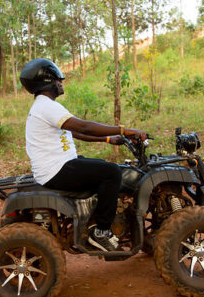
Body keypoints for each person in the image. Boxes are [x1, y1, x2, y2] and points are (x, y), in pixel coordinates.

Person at [20, 58, 146, 252]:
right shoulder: (47, 107)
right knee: (112, 172)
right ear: (47, 82)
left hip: (60, 165)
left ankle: (96, 219)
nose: (61, 83)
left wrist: (107, 140)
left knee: (104, 168)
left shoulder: (43, 106)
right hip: (57, 170)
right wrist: (125, 131)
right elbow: (84, 126)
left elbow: (73, 132)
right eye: (57, 80)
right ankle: (101, 232)